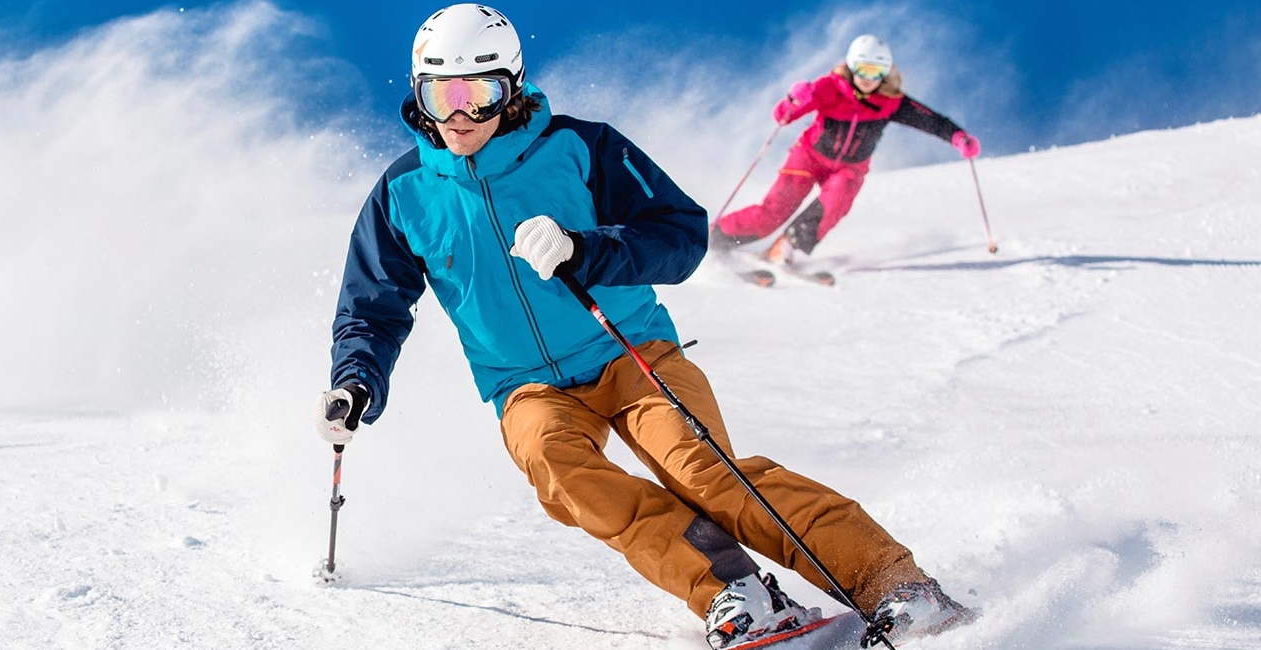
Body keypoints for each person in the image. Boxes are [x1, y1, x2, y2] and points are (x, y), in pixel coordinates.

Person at [314, 6, 975, 648]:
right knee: (560, 470)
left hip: (631, 351)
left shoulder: (580, 147)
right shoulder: (402, 194)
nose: (460, 115)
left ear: (510, 90)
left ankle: (896, 583)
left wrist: (585, 247)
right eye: (440, 94)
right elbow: (373, 303)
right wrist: (355, 381)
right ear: (418, 92)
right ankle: (734, 592)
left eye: (480, 94)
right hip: (523, 386)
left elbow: (682, 235)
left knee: (705, 475)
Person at [711, 34, 980, 263]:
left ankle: (787, 247)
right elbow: (783, 117)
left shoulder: (890, 101)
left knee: (839, 196)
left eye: (875, 72)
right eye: (862, 70)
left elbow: (930, 120)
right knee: (775, 211)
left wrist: (958, 137)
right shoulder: (830, 87)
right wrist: (795, 98)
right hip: (809, 157)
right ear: (852, 67)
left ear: (885, 73)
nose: (867, 78)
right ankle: (713, 238)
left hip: (849, 168)